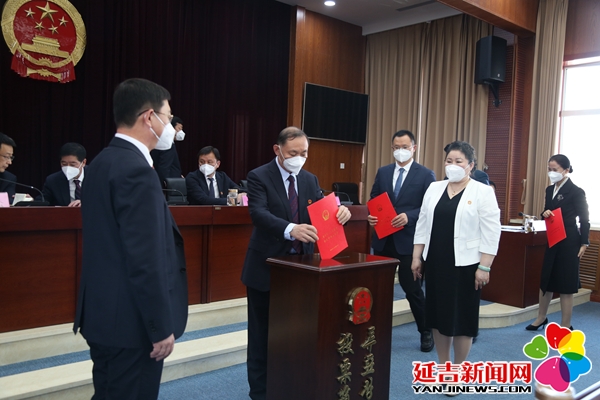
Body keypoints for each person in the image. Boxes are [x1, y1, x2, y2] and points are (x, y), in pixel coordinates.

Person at [73, 78, 188, 400]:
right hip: (131, 323)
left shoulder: (102, 162)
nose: (170, 127)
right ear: (149, 117)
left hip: (103, 315)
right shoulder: (135, 170)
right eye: (167, 118)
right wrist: (159, 326)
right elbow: (145, 258)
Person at [240, 126, 351, 400]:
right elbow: (258, 214)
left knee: (296, 336)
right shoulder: (259, 176)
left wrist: (340, 211)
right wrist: (291, 229)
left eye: (304, 153)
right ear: (277, 150)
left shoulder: (310, 179)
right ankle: (260, 393)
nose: (299, 158)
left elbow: (322, 211)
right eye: (293, 153)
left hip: (303, 271)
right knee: (262, 337)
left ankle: (289, 387)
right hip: (267, 270)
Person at [411, 141, 500, 375]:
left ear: (471, 165)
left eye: (458, 161)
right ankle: (444, 365)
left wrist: (485, 267)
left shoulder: (482, 191)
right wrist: (417, 256)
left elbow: (491, 233)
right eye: (449, 161)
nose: (453, 165)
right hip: (436, 263)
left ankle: (459, 370)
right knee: (438, 318)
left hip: (466, 266)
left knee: (462, 321)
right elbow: (422, 224)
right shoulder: (434, 188)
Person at [367, 129, 436, 352]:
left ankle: (426, 331)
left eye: (404, 147)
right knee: (379, 290)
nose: (400, 151)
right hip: (383, 240)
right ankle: (376, 331)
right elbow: (374, 199)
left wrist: (409, 216)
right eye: (396, 147)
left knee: (412, 290)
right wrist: (371, 215)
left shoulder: (425, 175)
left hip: (409, 242)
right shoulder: (383, 172)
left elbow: (429, 208)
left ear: (413, 148)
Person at [526, 154, 589, 331]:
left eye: (555, 169)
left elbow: (584, 219)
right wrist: (544, 213)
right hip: (553, 238)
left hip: (569, 240)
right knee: (546, 279)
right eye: (549, 169)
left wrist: (584, 242)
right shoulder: (549, 190)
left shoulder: (576, 191)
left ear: (566, 170)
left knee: (566, 283)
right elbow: (547, 211)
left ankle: (565, 324)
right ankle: (541, 318)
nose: (551, 172)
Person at [38, 142, 87, 207]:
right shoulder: (53, 180)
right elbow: (43, 201)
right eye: (64, 164)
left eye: (72, 164)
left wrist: (85, 202)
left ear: (83, 162)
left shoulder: (96, 176)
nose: (68, 168)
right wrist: (30, 201)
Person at [150, 116, 184, 187]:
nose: (181, 132)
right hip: (169, 184)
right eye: (179, 129)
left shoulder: (158, 143)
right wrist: (164, 184)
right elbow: (164, 168)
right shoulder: (167, 146)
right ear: (171, 128)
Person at [0, 132, 17, 199]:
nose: (9, 162)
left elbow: (9, 202)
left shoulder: (8, 179)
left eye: (10, 157)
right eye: (6, 157)